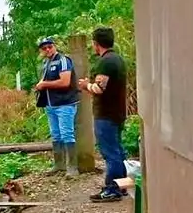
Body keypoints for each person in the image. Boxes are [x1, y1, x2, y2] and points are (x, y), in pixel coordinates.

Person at [79, 27, 129, 202]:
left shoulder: (105, 62)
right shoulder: (118, 59)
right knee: (117, 150)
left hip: (106, 114)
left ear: (96, 43)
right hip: (117, 111)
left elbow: (99, 88)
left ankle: (112, 189)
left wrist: (86, 85)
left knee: (110, 153)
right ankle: (121, 186)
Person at [34, 37, 80, 176]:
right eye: (44, 48)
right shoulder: (45, 63)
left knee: (67, 134)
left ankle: (72, 167)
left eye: (49, 46)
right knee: (56, 135)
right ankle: (59, 164)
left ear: (54, 46)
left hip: (64, 103)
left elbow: (65, 82)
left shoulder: (63, 60)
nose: (47, 50)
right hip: (51, 104)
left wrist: (44, 84)